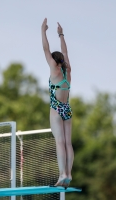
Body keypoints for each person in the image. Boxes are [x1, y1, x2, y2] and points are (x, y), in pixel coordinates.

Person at [41, 18, 74, 188]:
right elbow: (65, 53)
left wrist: (43, 30)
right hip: (67, 109)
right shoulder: (67, 71)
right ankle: (68, 174)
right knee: (68, 142)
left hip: (56, 109)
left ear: (54, 61)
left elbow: (46, 49)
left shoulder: (54, 69)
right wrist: (61, 35)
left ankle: (62, 174)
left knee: (59, 142)